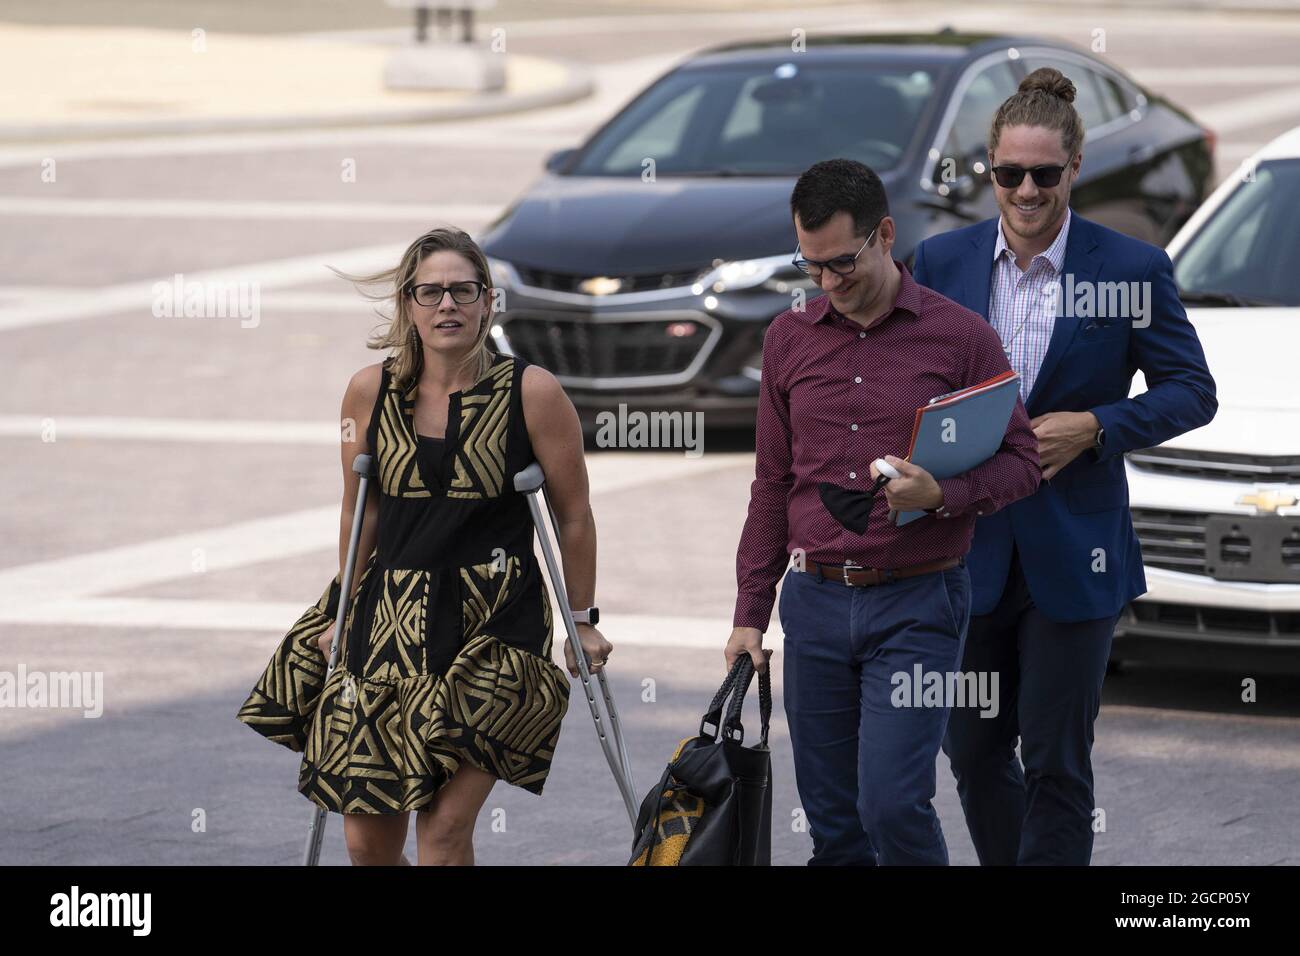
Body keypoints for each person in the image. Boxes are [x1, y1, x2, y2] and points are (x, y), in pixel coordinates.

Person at [912, 68, 1217, 865]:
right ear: (990, 169)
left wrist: (1097, 426)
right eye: (1009, 173)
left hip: (1074, 557)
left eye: (1045, 174)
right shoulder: (940, 261)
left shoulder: (1129, 269)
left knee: (1055, 763)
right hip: (963, 554)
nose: (1026, 190)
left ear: (1074, 169)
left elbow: (1192, 391)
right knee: (974, 756)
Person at [237, 226, 612, 866]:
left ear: (488, 301)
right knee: (367, 841)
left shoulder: (533, 393)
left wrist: (581, 620)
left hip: (496, 625)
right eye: (431, 292)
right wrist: (344, 610)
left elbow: (573, 514)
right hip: (388, 623)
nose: (447, 305)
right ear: (408, 305)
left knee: (440, 833)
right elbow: (361, 510)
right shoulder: (368, 392)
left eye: (462, 291)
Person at [725, 159, 1041, 866]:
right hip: (813, 603)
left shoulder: (961, 339)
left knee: (892, 806)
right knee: (834, 825)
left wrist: (943, 495)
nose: (829, 283)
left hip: (919, 600)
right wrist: (750, 613)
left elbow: (1022, 461)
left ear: (885, 235)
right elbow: (770, 485)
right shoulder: (788, 339)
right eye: (811, 268)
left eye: (842, 262)